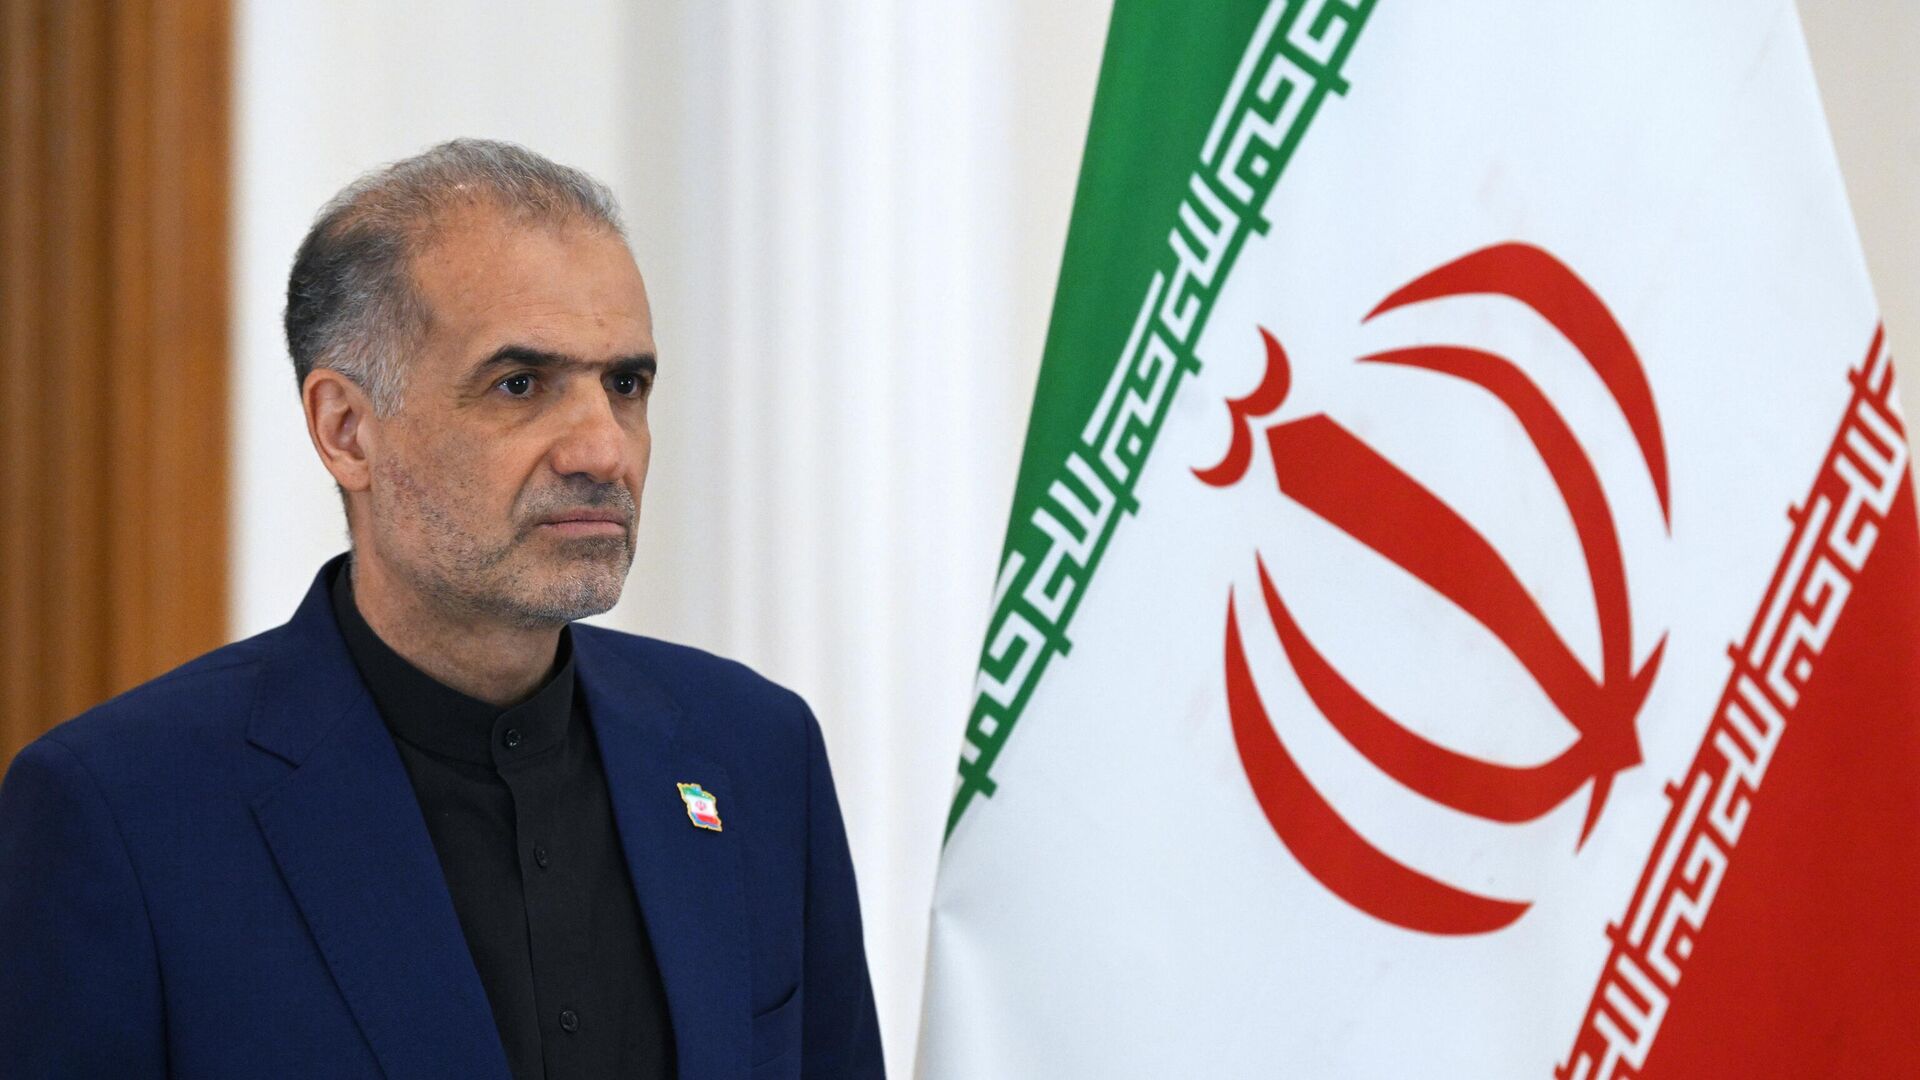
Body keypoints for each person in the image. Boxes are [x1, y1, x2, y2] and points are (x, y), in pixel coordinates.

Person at [0, 139, 884, 1080]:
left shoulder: (753, 751)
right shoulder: (122, 810)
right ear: (346, 431)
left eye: (624, 385)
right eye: (519, 385)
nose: (602, 451)